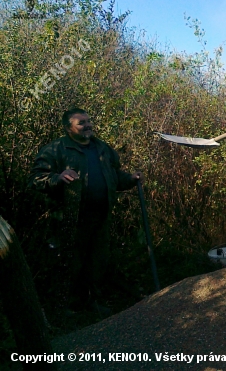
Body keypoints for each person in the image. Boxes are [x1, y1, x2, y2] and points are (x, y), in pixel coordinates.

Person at [28, 108, 143, 313]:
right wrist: (57, 178)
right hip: (69, 219)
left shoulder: (102, 148)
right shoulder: (56, 150)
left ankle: (93, 302)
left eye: (88, 121)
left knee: (97, 261)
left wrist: (131, 179)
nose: (88, 125)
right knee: (69, 262)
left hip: (100, 216)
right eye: (81, 123)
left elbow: (115, 176)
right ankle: (66, 308)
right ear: (67, 128)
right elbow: (36, 179)